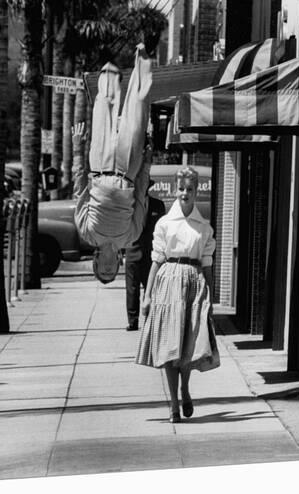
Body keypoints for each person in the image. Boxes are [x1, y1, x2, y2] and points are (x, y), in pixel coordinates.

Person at [135, 166, 220, 423]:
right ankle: (174, 404)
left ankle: (185, 389)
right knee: (170, 349)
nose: (185, 194)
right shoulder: (164, 224)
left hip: (194, 285)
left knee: (188, 346)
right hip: (168, 285)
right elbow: (156, 261)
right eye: (181, 189)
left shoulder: (203, 228)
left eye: (190, 189)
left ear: (196, 192)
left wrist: (210, 299)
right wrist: (147, 296)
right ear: (176, 189)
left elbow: (207, 266)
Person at [72, 43, 153, 284]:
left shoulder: (87, 233)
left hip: (99, 164)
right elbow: (140, 196)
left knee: (104, 104)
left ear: (95, 264)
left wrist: (77, 147)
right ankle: (142, 56)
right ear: (118, 265)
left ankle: (108, 58)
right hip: (128, 170)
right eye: (111, 272)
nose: (108, 268)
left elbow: (80, 192)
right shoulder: (131, 237)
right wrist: (146, 162)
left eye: (102, 271)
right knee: (137, 108)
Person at [125, 191, 165, 331]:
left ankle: (151, 318)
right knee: (132, 289)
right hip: (132, 250)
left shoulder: (158, 205)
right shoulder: (129, 204)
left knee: (152, 287)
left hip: (151, 253)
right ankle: (132, 321)